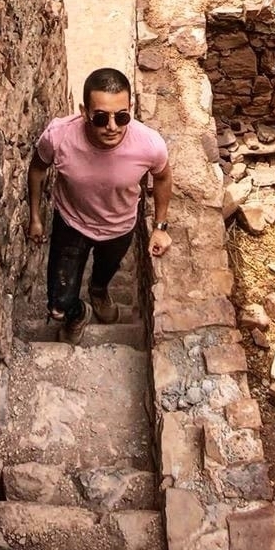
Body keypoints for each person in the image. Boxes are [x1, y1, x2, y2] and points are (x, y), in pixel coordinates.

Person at [26, 67, 172, 344]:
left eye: (122, 116)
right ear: (84, 112)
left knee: (105, 271)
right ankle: (77, 313)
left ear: (131, 108)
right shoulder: (59, 137)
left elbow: (163, 177)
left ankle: (98, 290)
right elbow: (37, 169)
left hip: (119, 229)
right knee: (57, 304)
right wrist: (35, 217)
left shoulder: (149, 145)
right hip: (71, 225)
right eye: (101, 117)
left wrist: (160, 227)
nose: (112, 127)